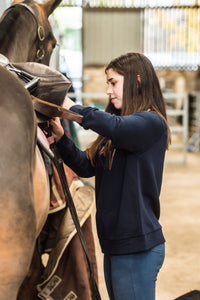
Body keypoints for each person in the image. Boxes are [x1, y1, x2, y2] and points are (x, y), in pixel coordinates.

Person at [50, 52, 171, 300]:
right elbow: (86, 167)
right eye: (108, 83)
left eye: (113, 82)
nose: (108, 90)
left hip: (136, 246)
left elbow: (116, 127)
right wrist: (61, 138)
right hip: (116, 244)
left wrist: (69, 105)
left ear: (137, 82)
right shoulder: (118, 129)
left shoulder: (150, 123)